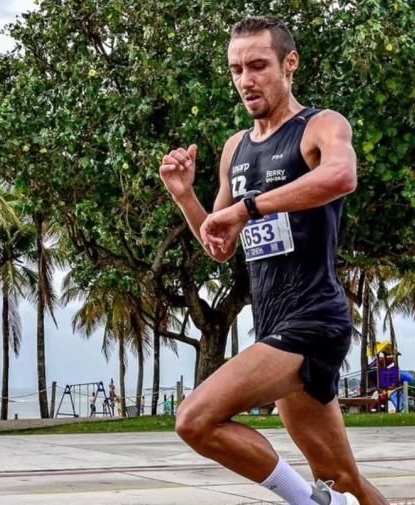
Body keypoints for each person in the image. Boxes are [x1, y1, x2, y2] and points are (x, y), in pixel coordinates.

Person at [158, 16, 386, 505]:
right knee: (341, 477)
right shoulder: (235, 149)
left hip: (315, 318)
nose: (246, 80)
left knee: (195, 419)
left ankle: (311, 503)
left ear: (289, 64)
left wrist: (249, 207)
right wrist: (185, 197)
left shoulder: (321, 126)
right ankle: (332, 500)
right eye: (236, 69)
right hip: (273, 322)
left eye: (258, 65)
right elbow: (219, 243)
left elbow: (341, 176)